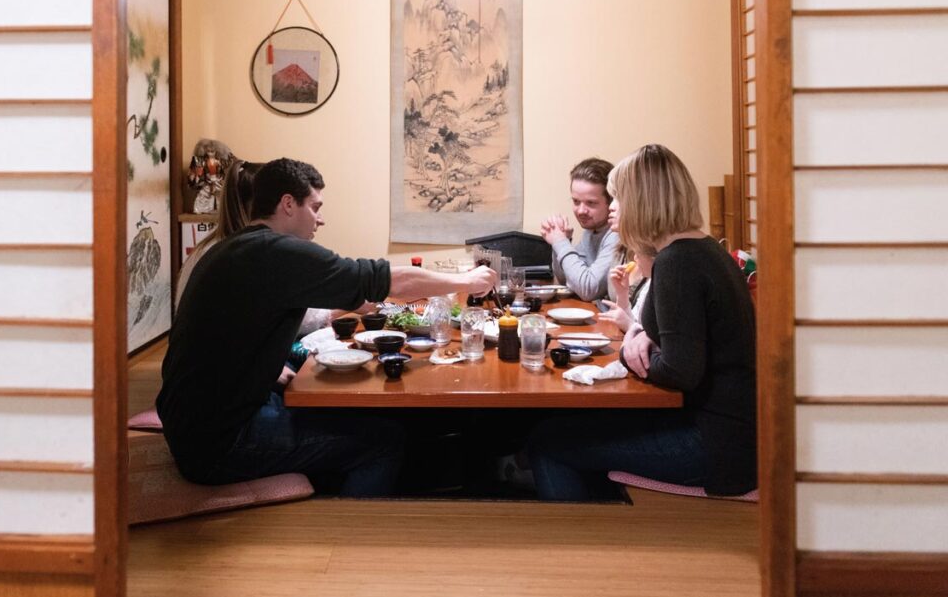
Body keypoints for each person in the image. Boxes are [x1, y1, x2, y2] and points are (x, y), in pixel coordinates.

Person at [157, 158, 498, 497]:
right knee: (383, 441)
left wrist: (263, 372)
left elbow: (220, 340)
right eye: (315, 207)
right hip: (219, 443)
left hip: (192, 423)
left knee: (335, 407)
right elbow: (390, 279)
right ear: (288, 204)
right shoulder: (277, 253)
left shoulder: (236, 248)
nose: (321, 219)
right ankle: (347, 538)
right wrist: (465, 280)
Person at [527, 144, 757, 501]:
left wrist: (631, 352)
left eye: (617, 197)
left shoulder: (678, 261)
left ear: (643, 201)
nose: (612, 207)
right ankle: (605, 522)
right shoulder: (701, 248)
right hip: (724, 429)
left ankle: (577, 547)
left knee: (548, 441)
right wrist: (642, 337)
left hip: (713, 443)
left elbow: (680, 371)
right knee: (573, 427)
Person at [175, 161, 372, 337]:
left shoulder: (227, 247)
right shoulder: (245, 255)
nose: (320, 220)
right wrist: (358, 300)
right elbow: (305, 320)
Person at [540, 157, 623, 302]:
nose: (581, 211)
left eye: (591, 203)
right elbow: (566, 279)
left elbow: (588, 289)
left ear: (610, 202)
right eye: (576, 201)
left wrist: (560, 242)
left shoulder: (617, 234)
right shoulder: (592, 229)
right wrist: (561, 243)